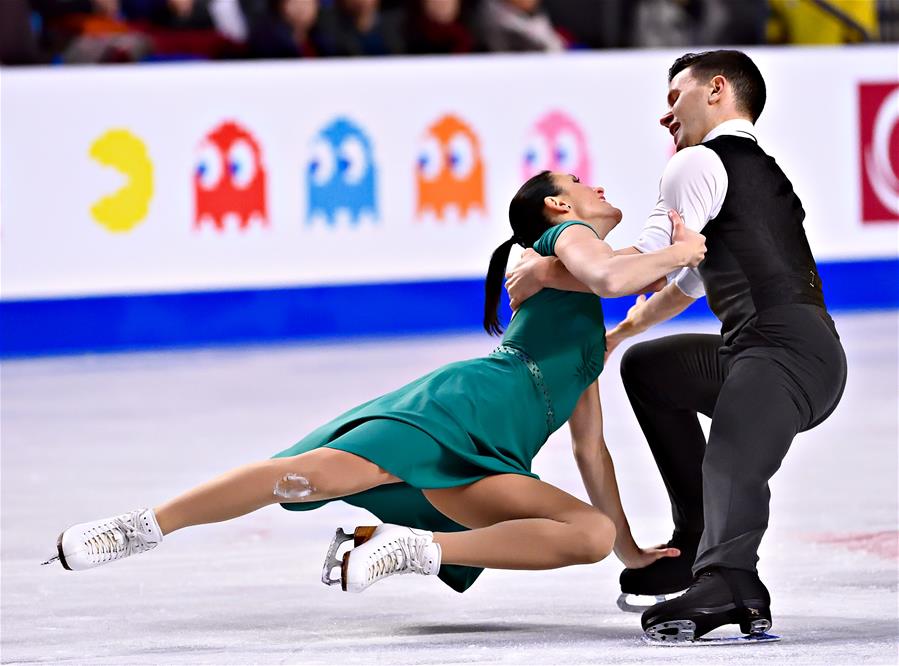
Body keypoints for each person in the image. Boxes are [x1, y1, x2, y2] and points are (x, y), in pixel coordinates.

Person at [46, 171, 707, 596]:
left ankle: (412, 550)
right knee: (312, 475)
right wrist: (682, 252)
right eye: (581, 183)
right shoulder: (559, 240)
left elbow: (591, 451)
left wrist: (630, 550)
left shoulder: (579, 316)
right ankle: (141, 528)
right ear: (558, 206)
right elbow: (615, 274)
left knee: (586, 536)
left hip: (496, 454)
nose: (597, 186)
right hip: (460, 407)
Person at [505, 50, 847, 642]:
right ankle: (694, 543)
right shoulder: (753, 169)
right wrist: (619, 336)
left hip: (780, 354)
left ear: (716, 90)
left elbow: (627, 269)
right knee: (651, 368)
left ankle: (731, 579)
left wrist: (542, 270)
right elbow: (685, 281)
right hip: (790, 354)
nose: (666, 116)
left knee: (732, 456)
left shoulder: (694, 162)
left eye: (674, 97)